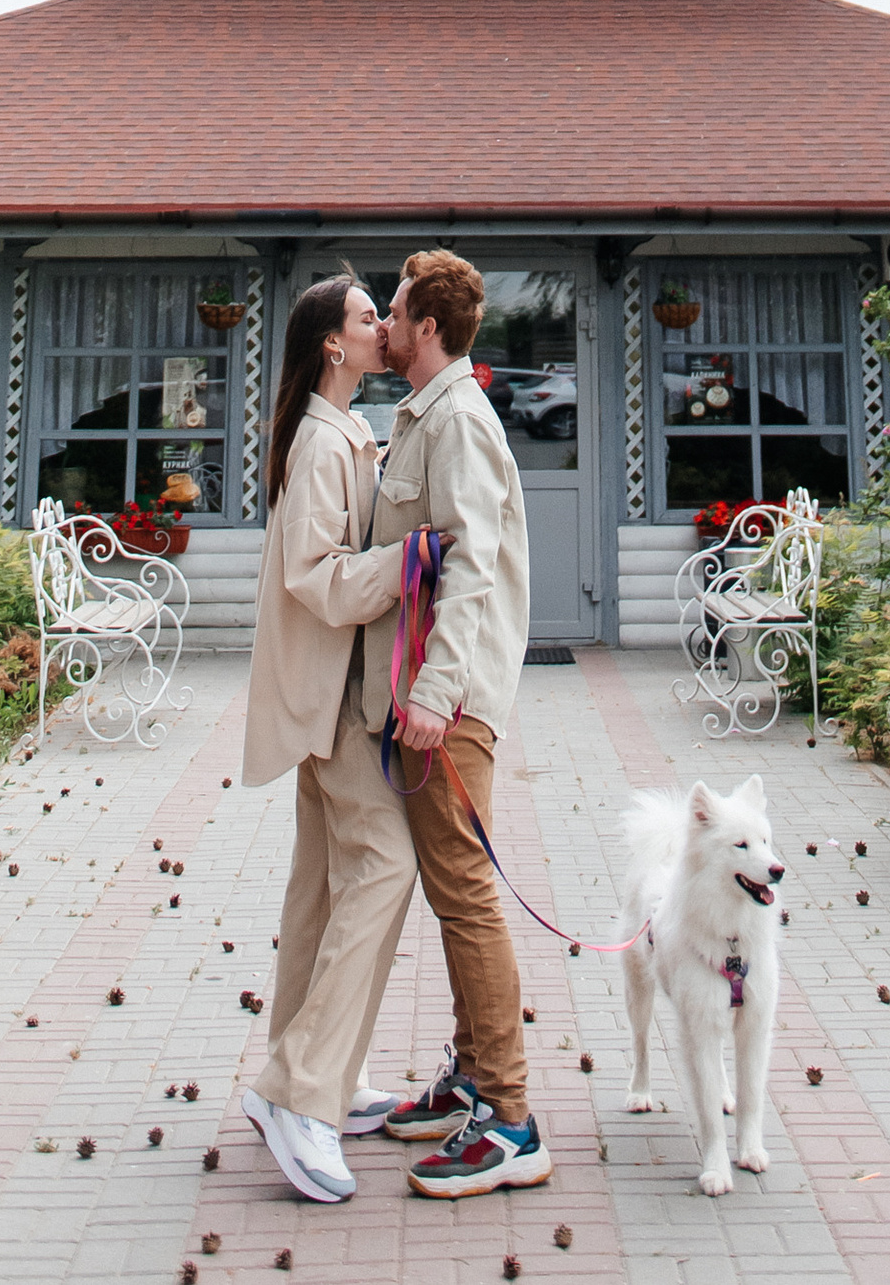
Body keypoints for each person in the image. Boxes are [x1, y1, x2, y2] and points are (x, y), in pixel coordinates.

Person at [363, 247, 548, 1202]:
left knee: (466, 890)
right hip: (433, 690)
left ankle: (510, 1120)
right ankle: (472, 1077)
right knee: (450, 886)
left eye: (394, 312)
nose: (385, 327)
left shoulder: (461, 421)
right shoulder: (428, 414)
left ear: (426, 326)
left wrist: (435, 694)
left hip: (452, 700)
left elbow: (472, 563)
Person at [238, 270, 413, 1207]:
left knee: (319, 888)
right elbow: (314, 571)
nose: (382, 324)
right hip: (337, 696)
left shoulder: (341, 429)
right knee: (385, 867)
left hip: (330, 688)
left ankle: (317, 1076)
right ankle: (299, 1090)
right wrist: (406, 562)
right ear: (333, 345)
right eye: (365, 316)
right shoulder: (320, 440)